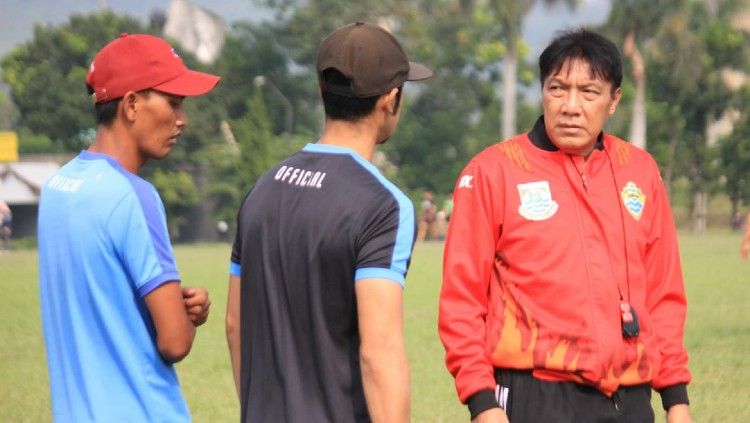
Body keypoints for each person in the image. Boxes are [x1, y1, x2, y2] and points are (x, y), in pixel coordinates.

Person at [438, 29, 692, 423]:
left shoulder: (639, 171)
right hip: (533, 396)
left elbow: (663, 295)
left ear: (614, 100)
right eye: (558, 89)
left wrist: (676, 399)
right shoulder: (493, 172)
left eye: (589, 92)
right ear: (542, 92)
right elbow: (461, 302)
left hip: (629, 397)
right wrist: (483, 403)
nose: (571, 106)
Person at [226, 22, 432, 423]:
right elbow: (379, 353)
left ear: (322, 91)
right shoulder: (385, 206)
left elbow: (235, 324)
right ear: (391, 100)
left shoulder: (262, 188)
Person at [37, 34, 219, 422]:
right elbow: (174, 342)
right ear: (132, 104)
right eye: (173, 103)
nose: (182, 119)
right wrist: (189, 318)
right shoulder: (135, 196)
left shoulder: (57, 187)